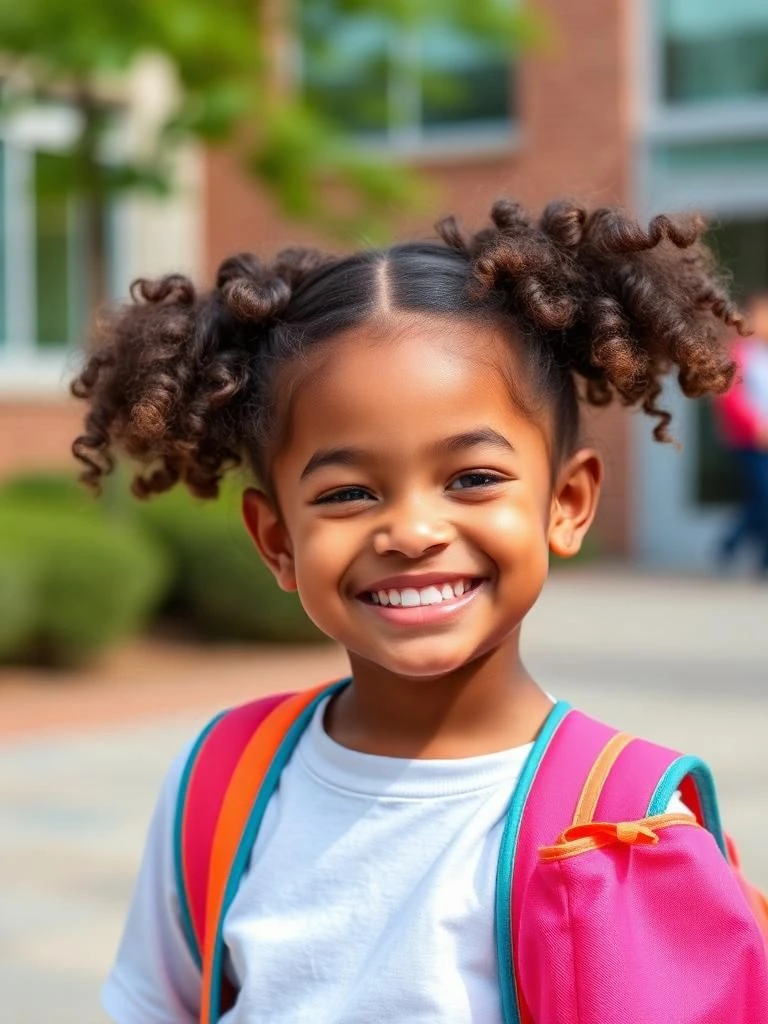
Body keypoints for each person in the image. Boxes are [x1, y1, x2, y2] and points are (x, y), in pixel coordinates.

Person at [71, 200, 758, 1023]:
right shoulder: (219, 781)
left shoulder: (626, 822)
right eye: (348, 493)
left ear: (566, 504)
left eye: (472, 478)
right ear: (277, 539)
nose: (412, 532)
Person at [715, 292, 768, 575]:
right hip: (749, 441)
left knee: (759, 500)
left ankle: (744, 552)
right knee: (764, 496)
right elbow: (731, 398)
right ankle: (732, 546)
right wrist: (755, 427)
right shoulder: (738, 354)